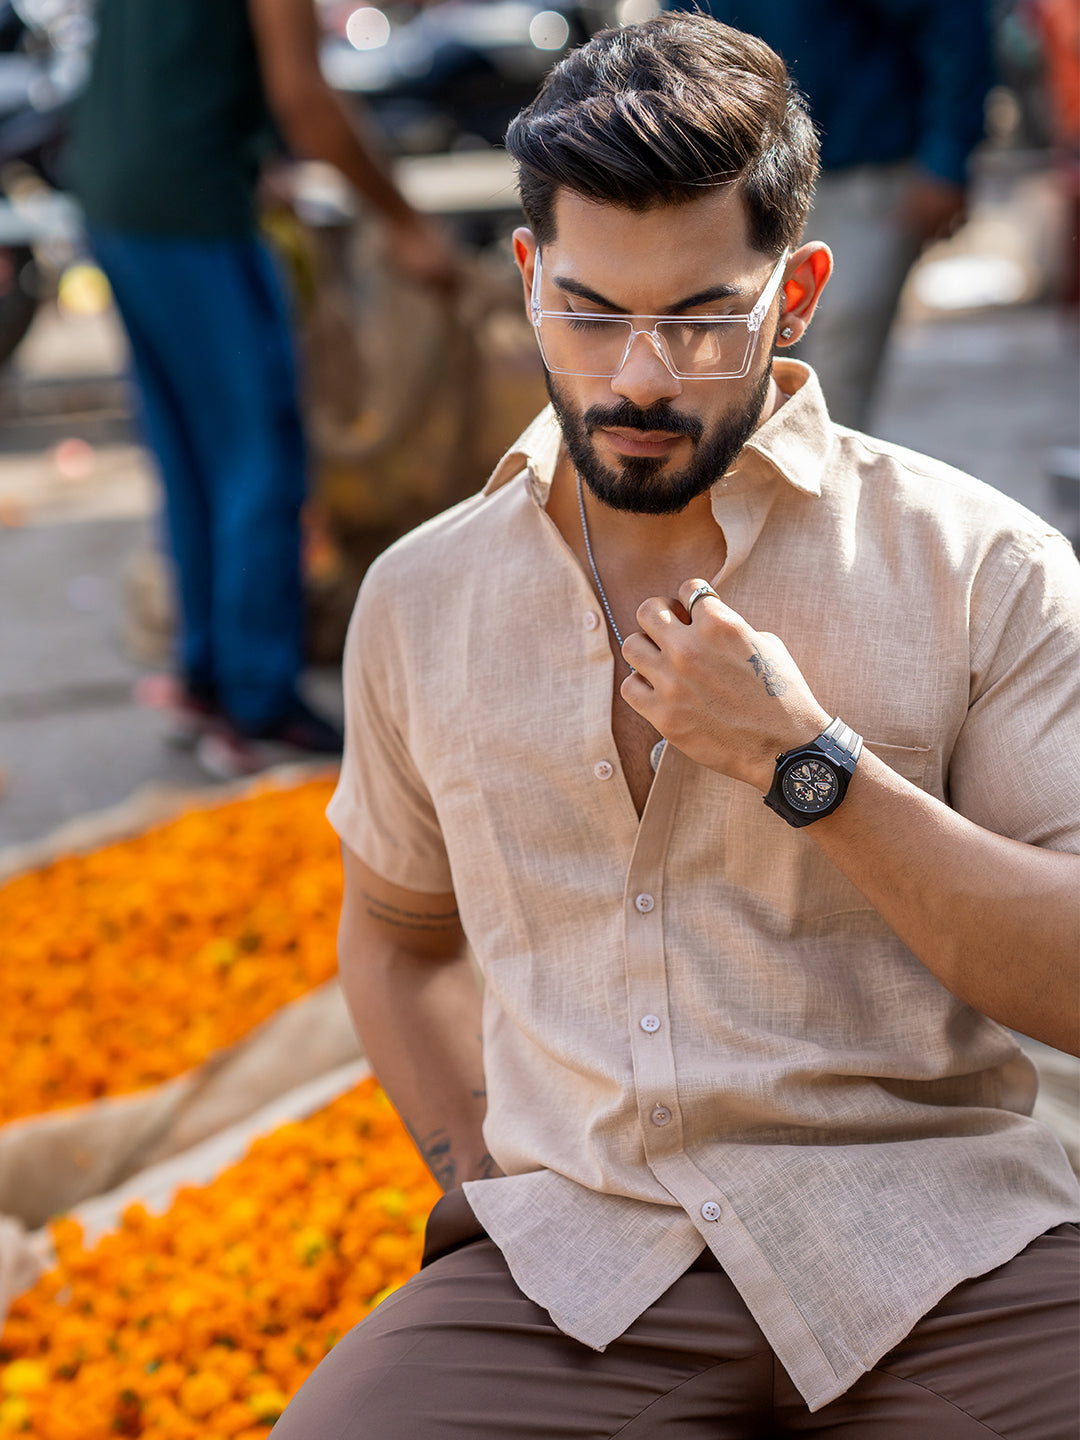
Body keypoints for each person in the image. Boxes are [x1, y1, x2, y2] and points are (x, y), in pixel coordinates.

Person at [274, 16, 1079, 1437]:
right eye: (589, 312)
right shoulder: (421, 600)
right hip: (581, 1268)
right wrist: (484, 1188)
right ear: (527, 280)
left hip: (946, 1247)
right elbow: (396, 943)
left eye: (702, 316)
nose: (639, 376)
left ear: (801, 293)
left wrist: (808, 765)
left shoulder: (980, 567)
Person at [66, 0, 456, 778]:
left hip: (112, 193)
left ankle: (206, 673)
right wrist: (406, 222)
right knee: (258, 453)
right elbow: (304, 100)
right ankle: (257, 702)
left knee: (189, 449)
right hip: (190, 206)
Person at [662, 0, 993, 430]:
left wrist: (947, 160)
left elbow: (953, 22)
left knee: (831, 393)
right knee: (729, 379)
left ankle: (817, 496)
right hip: (730, 180)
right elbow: (678, 43)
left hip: (862, 175)